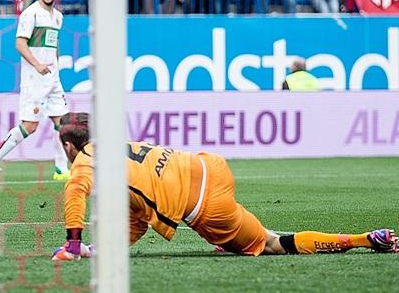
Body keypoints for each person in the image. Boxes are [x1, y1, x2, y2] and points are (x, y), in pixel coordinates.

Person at [51, 113, 397, 261]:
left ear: (68, 147)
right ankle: (232, 239)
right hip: (207, 165)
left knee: (271, 243)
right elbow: (137, 218)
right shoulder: (114, 146)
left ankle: (363, 239)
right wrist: (95, 251)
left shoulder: (84, 162)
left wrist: (72, 245)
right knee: (247, 235)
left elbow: (75, 196)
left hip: (204, 205)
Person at [0, 0, 71, 183]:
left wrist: (55, 67)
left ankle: (60, 169)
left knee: (62, 123)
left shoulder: (58, 16)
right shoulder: (31, 14)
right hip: (34, 79)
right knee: (30, 126)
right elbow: (20, 43)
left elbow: (54, 44)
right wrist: (38, 65)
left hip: (52, 78)